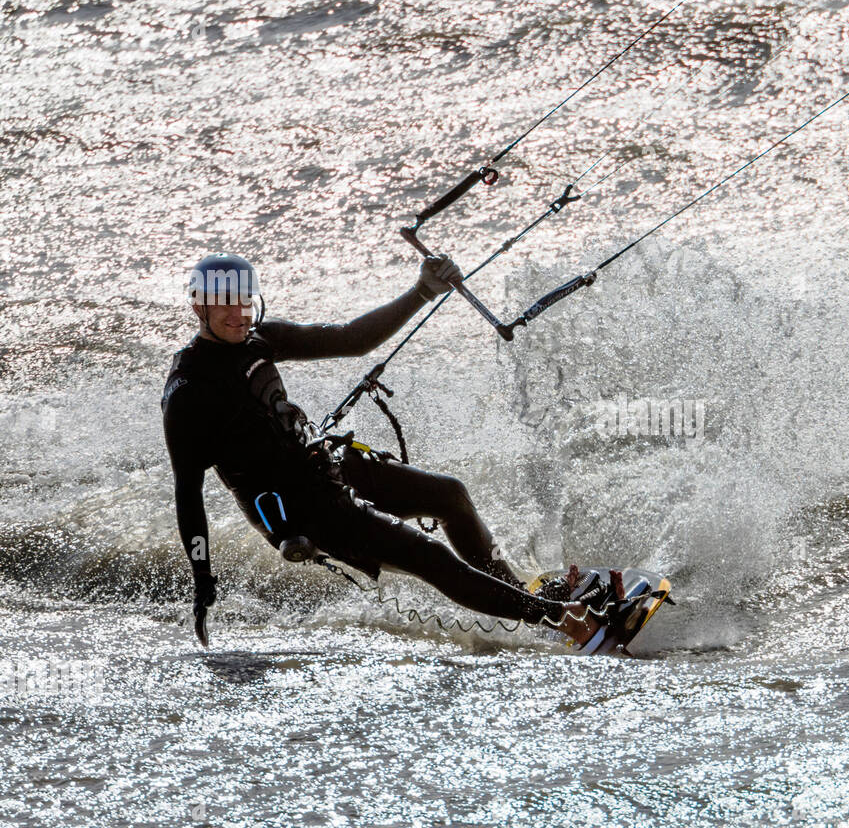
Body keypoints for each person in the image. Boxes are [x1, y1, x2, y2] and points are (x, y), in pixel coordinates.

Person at [161, 252, 606, 648]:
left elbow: (353, 339)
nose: (238, 315)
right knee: (430, 558)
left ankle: (522, 598)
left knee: (450, 495)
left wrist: (421, 291)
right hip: (302, 515)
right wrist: (202, 580)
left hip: (324, 469)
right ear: (199, 305)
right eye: (224, 306)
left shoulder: (262, 340)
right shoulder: (188, 391)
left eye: (244, 302)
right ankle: (561, 619)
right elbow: (187, 493)